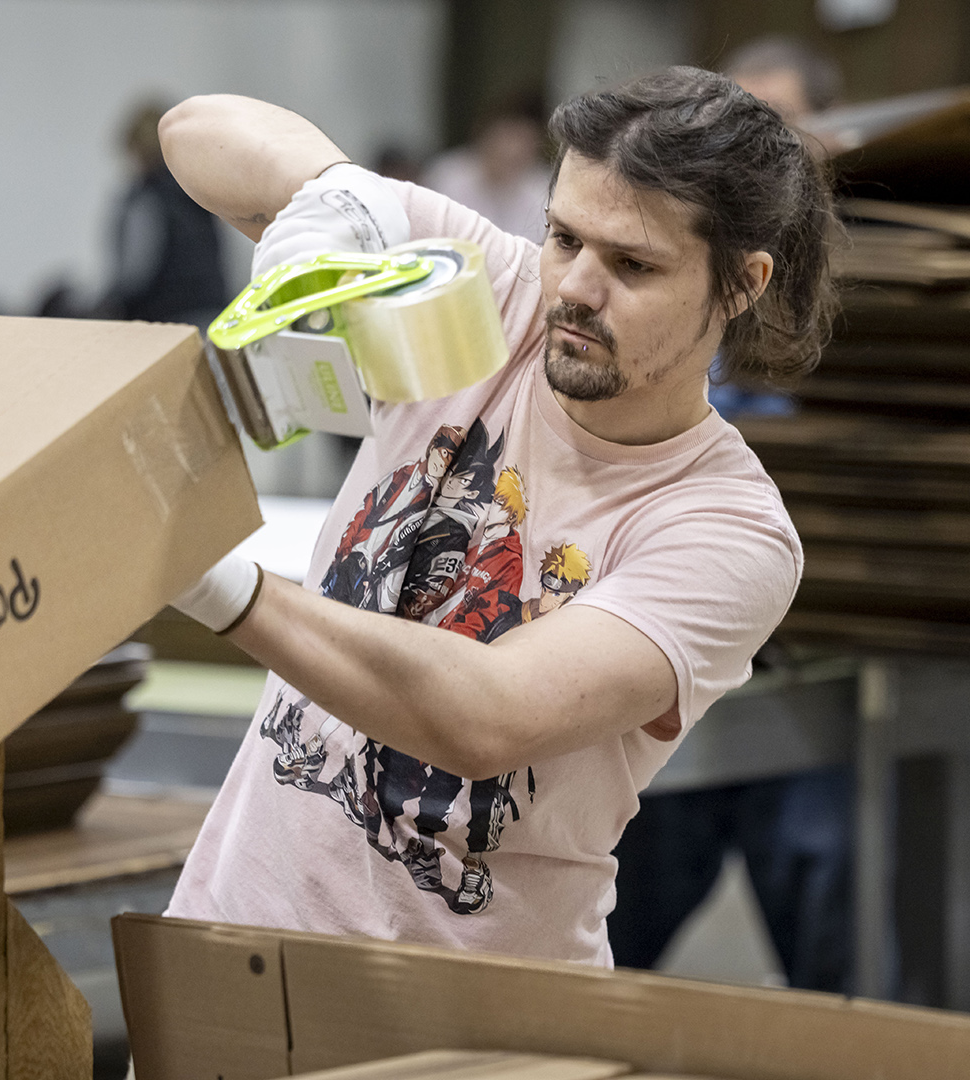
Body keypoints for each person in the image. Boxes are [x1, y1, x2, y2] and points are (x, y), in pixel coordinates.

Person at [158, 66, 836, 964]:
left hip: (464, 1020)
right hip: (228, 942)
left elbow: (487, 716)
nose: (577, 290)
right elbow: (194, 130)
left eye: (633, 264)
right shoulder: (487, 298)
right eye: (564, 237)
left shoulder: (727, 528)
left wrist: (218, 585)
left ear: (742, 283)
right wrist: (334, 200)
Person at [605, 38, 855, 992]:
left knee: (830, 937)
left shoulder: (875, 303)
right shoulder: (660, 288)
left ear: (827, 142)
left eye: (780, 131)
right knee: (610, 934)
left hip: (811, 669)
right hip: (667, 662)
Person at [99, 100, 230, 327]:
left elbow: (136, 272)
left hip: (164, 322)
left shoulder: (146, 199)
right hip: (212, 315)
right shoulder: (200, 190)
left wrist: (110, 303)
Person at [420, 91, 552, 246]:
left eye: (522, 145)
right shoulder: (447, 176)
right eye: (505, 139)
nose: (511, 151)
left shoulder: (544, 190)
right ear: (484, 136)